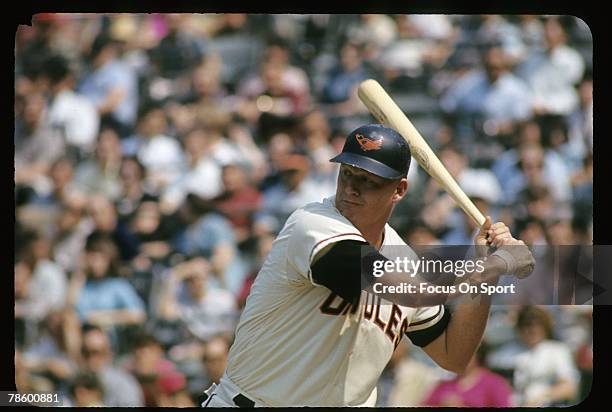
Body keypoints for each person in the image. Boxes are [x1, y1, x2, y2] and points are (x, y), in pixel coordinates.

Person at [198, 124, 535, 407]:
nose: (351, 190)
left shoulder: (405, 260)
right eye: (347, 174)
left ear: (399, 190)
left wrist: (486, 272)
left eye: (369, 181)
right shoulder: (312, 224)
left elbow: (454, 354)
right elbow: (390, 283)